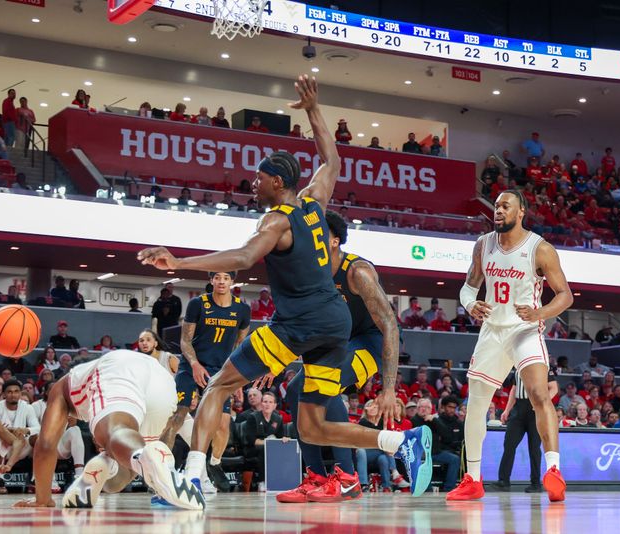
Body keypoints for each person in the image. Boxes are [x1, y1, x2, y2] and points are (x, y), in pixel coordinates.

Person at [137, 75, 429, 499]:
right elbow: (332, 160)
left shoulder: (275, 219)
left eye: (258, 179)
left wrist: (179, 261)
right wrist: (313, 109)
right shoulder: (314, 201)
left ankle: (195, 476)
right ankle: (400, 442)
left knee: (219, 385)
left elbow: (242, 258)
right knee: (312, 424)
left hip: (300, 324)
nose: (252, 185)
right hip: (334, 326)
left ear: (277, 183)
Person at [449, 189, 573, 503]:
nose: (499, 210)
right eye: (497, 205)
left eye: (507, 206)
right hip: (492, 331)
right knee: (476, 403)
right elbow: (468, 286)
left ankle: (554, 470)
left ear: (521, 213)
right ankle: (473, 479)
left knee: (538, 393)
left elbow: (565, 296)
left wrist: (540, 313)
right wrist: (470, 304)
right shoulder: (483, 244)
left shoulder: (540, 248)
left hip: (525, 329)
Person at [277, 209, 403, 502]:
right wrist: (276, 358)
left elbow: (389, 326)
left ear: (333, 241)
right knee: (297, 389)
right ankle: (317, 477)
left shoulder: (357, 272)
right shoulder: (310, 272)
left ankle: (347, 477)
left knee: (323, 387)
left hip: (370, 342)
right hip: (336, 341)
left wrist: (389, 388)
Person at [13, 350, 204, 510]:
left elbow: (45, 445)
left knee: (116, 433)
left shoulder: (63, 387)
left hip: (119, 368)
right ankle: (106, 468)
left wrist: (43, 499)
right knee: (121, 474)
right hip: (162, 379)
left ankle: (143, 458)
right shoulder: (93, 381)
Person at [159, 272, 250, 494]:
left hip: (221, 372)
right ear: (211, 280)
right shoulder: (197, 304)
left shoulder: (242, 309)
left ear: (232, 282)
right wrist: (194, 364)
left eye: (226, 278)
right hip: (191, 367)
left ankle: (211, 465)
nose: (221, 281)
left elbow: (240, 345)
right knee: (178, 416)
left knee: (222, 425)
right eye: (217, 277)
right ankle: (161, 473)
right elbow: (185, 340)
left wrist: (239, 379)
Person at [494, 368, 558, 492]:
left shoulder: (542, 366)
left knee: (534, 447)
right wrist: (507, 410)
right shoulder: (518, 367)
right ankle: (503, 480)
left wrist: (542, 402)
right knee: (509, 444)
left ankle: (535, 483)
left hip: (535, 409)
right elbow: (514, 389)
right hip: (519, 408)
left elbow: (553, 387)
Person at [0, 380, 42, 492]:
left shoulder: (27, 407)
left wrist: (25, 429)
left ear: (21, 394)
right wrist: (11, 430)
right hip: (1, 447)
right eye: (9, 392)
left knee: (38, 439)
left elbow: (38, 428)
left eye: (16, 391)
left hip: (21, 447)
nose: (13, 395)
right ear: (4, 394)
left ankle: (36, 478)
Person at [410, 397, 461, 492]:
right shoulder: (413, 421)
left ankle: (449, 488)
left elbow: (447, 435)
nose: (424, 409)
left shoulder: (434, 420)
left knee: (455, 459)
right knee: (423, 460)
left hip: (435, 452)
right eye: (421, 407)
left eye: (427, 407)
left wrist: (435, 420)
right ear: (417, 409)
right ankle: (427, 488)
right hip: (420, 453)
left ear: (430, 409)